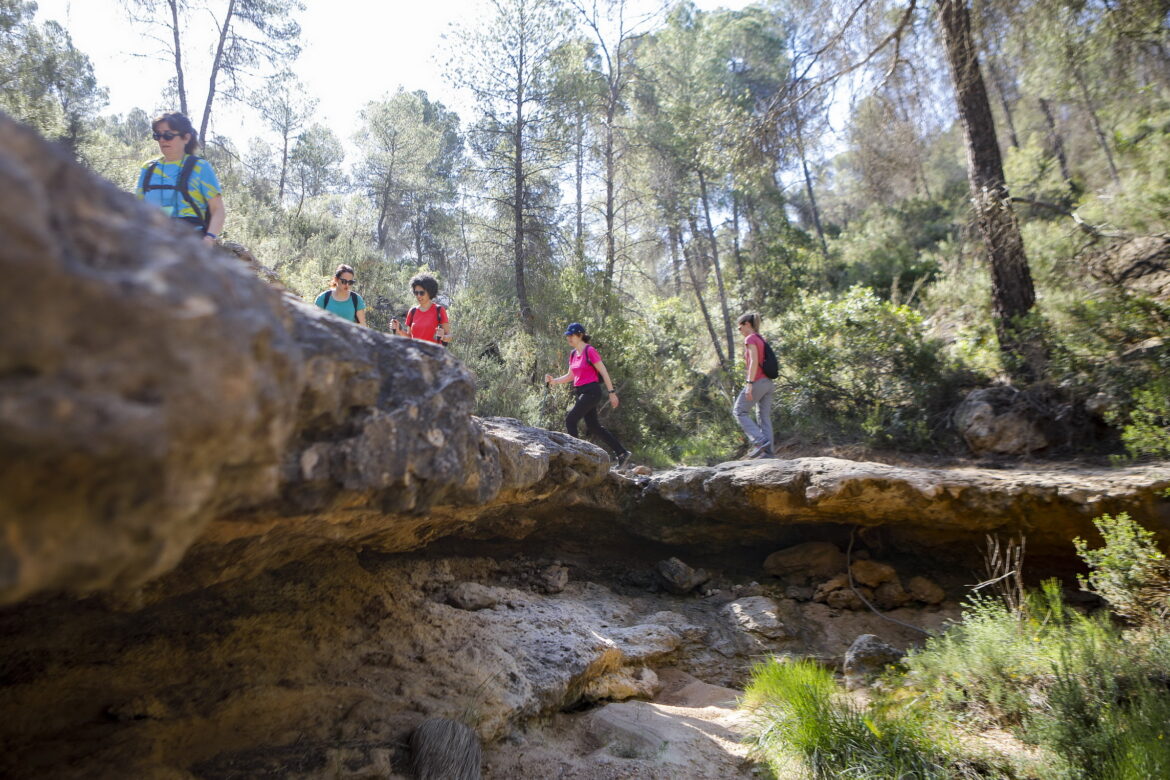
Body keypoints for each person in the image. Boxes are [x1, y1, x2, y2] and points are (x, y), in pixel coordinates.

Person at [544, 322, 631, 468]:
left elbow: (603, 371)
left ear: (580, 335)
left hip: (592, 391)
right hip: (581, 392)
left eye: (571, 335)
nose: (569, 338)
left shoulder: (589, 351)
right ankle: (622, 453)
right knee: (593, 426)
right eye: (568, 335)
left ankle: (575, 456)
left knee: (570, 420)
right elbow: (571, 375)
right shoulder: (573, 354)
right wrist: (554, 381)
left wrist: (612, 393)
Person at [135, 111, 225, 244]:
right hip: (152, 243)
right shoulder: (148, 168)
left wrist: (209, 238)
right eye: (157, 135)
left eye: (168, 135)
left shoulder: (200, 167)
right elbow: (137, 209)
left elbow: (217, 209)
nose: (162, 140)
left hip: (190, 244)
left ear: (186, 138)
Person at [733, 312, 775, 458]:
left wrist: (749, 383)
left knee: (739, 411)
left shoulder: (750, 338)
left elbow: (753, 361)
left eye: (739, 328)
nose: (739, 331)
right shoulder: (760, 338)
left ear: (747, 324)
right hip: (768, 383)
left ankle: (760, 441)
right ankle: (769, 454)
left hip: (757, 381)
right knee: (763, 416)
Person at [390, 274, 450, 345]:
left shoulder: (439, 310)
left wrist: (443, 337)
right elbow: (409, 337)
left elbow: (449, 336)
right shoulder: (412, 311)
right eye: (416, 293)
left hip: (433, 351)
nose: (418, 296)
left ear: (430, 292)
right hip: (415, 351)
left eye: (422, 293)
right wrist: (399, 330)